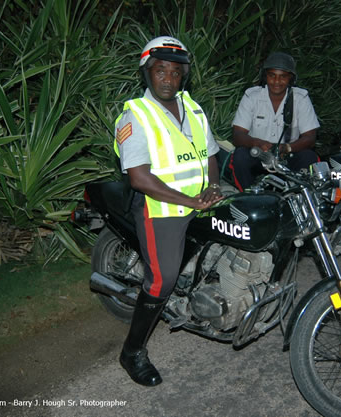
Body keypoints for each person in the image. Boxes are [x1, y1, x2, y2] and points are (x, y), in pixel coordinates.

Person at [113, 36, 223, 387]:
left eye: (175, 72)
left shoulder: (193, 108)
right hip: (161, 209)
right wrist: (191, 201)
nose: (168, 79)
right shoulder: (135, 116)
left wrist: (215, 188)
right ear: (147, 72)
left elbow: (211, 155)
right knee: (162, 280)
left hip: (200, 201)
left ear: (183, 77)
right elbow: (139, 178)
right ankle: (132, 353)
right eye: (160, 70)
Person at [230, 52, 320, 191]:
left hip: (287, 156)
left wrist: (287, 148)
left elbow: (310, 137)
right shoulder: (251, 96)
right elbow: (237, 135)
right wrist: (257, 143)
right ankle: (249, 196)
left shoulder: (300, 98)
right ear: (265, 76)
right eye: (272, 75)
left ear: (290, 78)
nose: (276, 81)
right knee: (240, 155)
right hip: (259, 155)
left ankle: (295, 196)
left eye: (282, 76)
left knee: (309, 157)